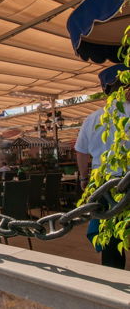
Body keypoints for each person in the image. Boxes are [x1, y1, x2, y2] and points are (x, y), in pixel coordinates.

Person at [75, 79, 130, 270]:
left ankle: (114, 281)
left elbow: (81, 151)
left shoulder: (93, 118)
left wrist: (84, 177)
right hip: (127, 180)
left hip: (103, 184)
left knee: (110, 241)